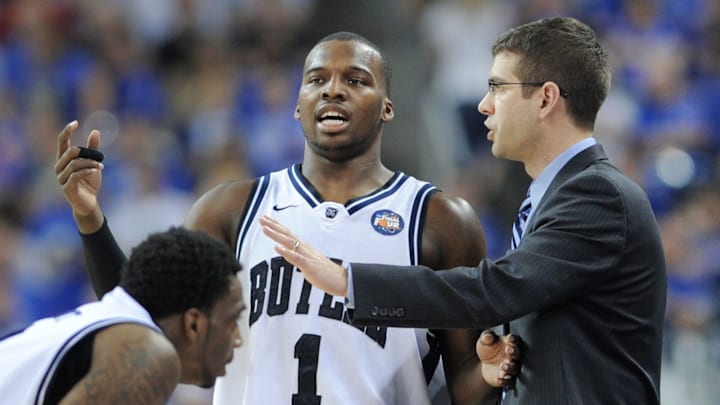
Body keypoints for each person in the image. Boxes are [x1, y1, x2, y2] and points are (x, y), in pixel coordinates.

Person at [54, 32, 520, 404]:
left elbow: (465, 381)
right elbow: (143, 314)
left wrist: (490, 372)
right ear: (298, 106)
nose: (333, 88)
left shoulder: (440, 220)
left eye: (356, 80)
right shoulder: (231, 209)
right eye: (317, 79)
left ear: (387, 107)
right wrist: (90, 218)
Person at [259, 17, 667, 404]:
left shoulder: (597, 195)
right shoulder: (559, 195)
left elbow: (498, 289)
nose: (484, 105)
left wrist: (349, 281)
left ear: (545, 99)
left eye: (497, 87)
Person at [0, 226, 245, 404]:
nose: (238, 339)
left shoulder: (107, 325)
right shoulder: (147, 353)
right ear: (194, 323)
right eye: (232, 321)